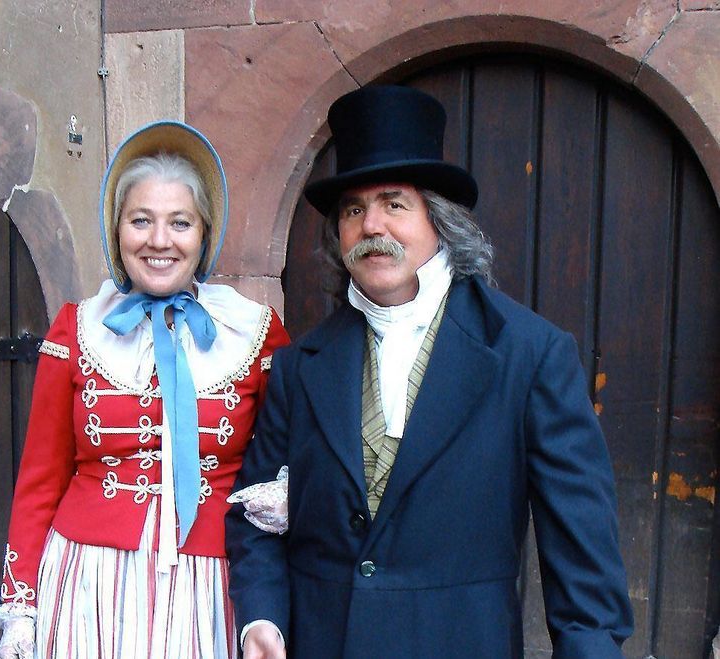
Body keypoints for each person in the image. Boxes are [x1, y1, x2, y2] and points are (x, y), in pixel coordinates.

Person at [226, 85, 633, 658]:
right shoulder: (299, 368)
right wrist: (261, 618)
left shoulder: (528, 355)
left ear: (439, 221)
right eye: (352, 209)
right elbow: (255, 520)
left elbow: (582, 550)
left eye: (394, 203)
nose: (372, 226)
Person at [0, 120, 289, 658]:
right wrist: (21, 605)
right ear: (117, 230)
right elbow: (39, 479)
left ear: (205, 234)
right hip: (88, 584)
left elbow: (292, 447)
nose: (159, 241)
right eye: (141, 221)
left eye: (180, 222)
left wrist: (287, 491)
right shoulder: (75, 328)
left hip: (214, 587)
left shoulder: (256, 331)